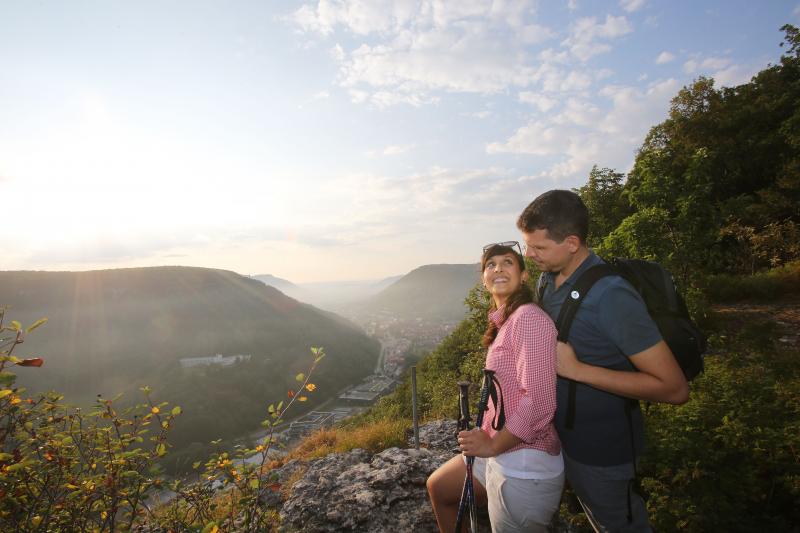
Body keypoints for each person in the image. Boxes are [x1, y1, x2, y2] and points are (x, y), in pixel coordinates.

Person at [516, 190, 689, 532]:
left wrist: (578, 370)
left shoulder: (612, 296)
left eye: (539, 248)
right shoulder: (548, 280)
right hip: (557, 438)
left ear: (572, 243)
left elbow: (674, 388)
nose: (529, 255)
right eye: (527, 245)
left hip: (602, 452)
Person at [427, 242, 564, 533]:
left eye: (507, 263)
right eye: (491, 264)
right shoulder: (508, 321)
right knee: (439, 488)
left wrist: (491, 445)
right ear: (483, 278)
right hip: (500, 450)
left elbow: (538, 402)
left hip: (523, 463)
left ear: (524, 275)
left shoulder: (528, 319)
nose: (498, 268)